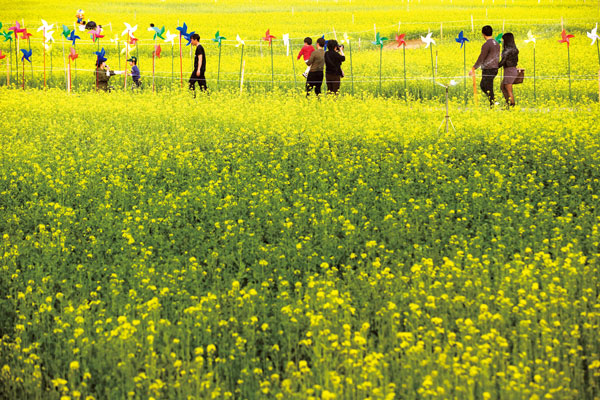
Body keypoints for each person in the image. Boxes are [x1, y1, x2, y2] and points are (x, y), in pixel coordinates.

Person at [469, 25, 500, 107]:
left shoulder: (486, 45)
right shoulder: (497, 43)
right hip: (495, 68)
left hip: (488, 68)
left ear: (483, 34)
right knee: (489, 86)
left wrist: (474, 68)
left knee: (484, 85)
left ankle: (494, 102)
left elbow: (481, 57)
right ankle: (492, 104)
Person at [498, 32, 519, 107]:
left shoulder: (507, 50)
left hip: (509, 71)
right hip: (512, 70)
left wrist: (494, 66)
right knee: (503, 87)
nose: (502, 41)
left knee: (508, 89)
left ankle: (511, 106)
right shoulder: (514, 49)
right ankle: (508, 103)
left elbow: (503, 62)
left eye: (503, 40)